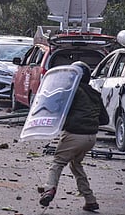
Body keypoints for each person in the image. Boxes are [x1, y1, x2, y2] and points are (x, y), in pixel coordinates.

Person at [39, 61, 109, 212]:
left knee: (57, 163)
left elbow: (56, 108)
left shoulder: (72, 91)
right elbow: (105, 120)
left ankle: (49, 189)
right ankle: (90, 200)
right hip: (90, 138)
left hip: (74, 136)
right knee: (76, 164)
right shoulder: (95, 94)